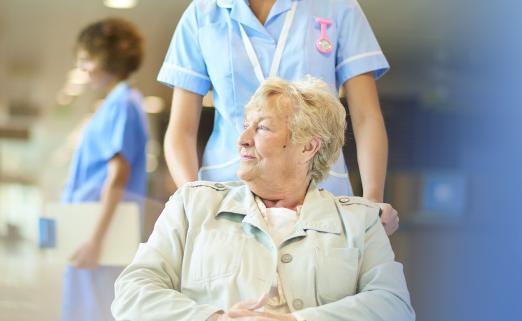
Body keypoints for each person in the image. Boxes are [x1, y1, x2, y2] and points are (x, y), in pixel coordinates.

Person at [112, 77, 415, 321]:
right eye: (245, 125)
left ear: (308, 146)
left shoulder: (358, 221)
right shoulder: (193, 204)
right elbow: (132, 289)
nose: (242, 139)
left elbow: (394, 307)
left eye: (261, 128)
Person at [158, 0, 399, 235]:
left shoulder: (338, 7)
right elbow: (182, 129)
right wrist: (190, 197)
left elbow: (366, 117)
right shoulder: (203, 13)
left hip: (318, 189)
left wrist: (372, 200)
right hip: (226, 194)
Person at [58, 18, 149, 321]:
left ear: (106, 57)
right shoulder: (114, 103)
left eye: (86, 58)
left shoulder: (124, 104)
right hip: (90, 232)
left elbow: (118, 176)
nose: (82, 67)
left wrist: (95, 239)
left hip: (98, 237)